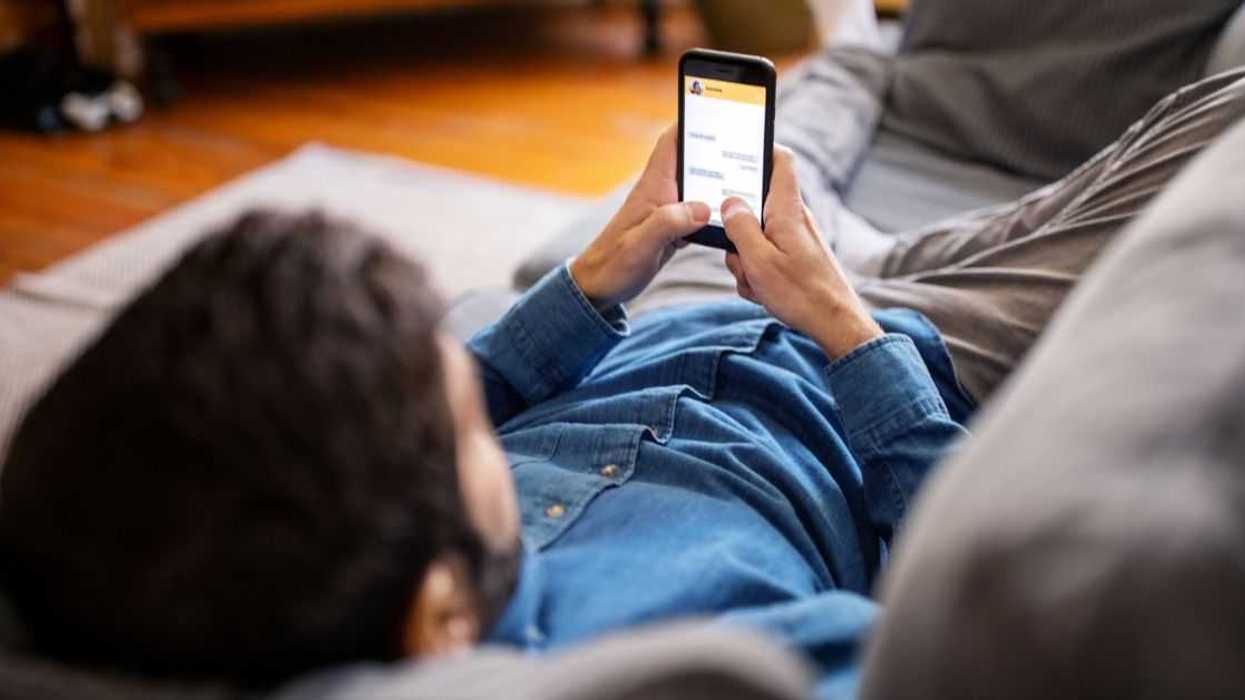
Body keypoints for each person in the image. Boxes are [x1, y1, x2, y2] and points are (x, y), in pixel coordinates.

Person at [1, 64, 1242, 698]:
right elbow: (956, 561)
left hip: (687, 292)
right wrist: (848, 334)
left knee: (794, 124)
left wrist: (599, 277)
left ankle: (866, 56)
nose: (483, 393)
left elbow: (450, 397)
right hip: (899, 360)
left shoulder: (320, 511)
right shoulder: (713, 653)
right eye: (465, 422)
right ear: (438, 623)